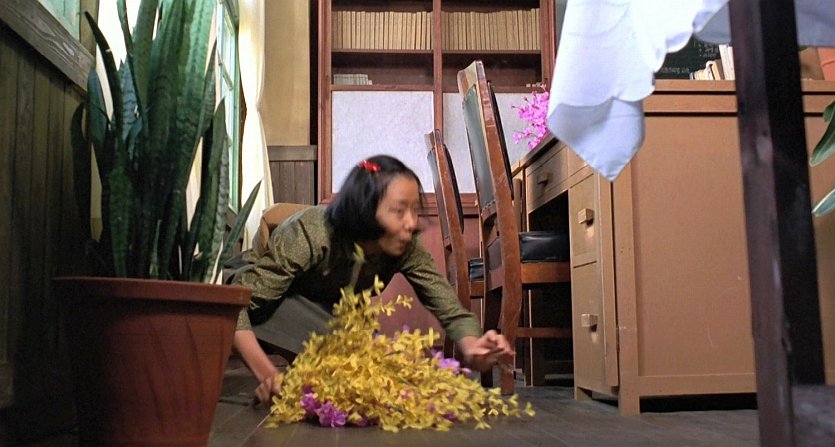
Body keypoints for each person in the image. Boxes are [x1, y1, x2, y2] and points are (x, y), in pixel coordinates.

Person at [231, 155, 513, 404]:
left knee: (373, 369)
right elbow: (234, 307)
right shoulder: (313, 232)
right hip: (256, 297)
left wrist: (473, 347)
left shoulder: (405, 245)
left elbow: (450, 309)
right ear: (364, 210)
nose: (412, 223)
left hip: (324, 311)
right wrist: (267, 376)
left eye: (414, 210)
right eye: (399, 211)